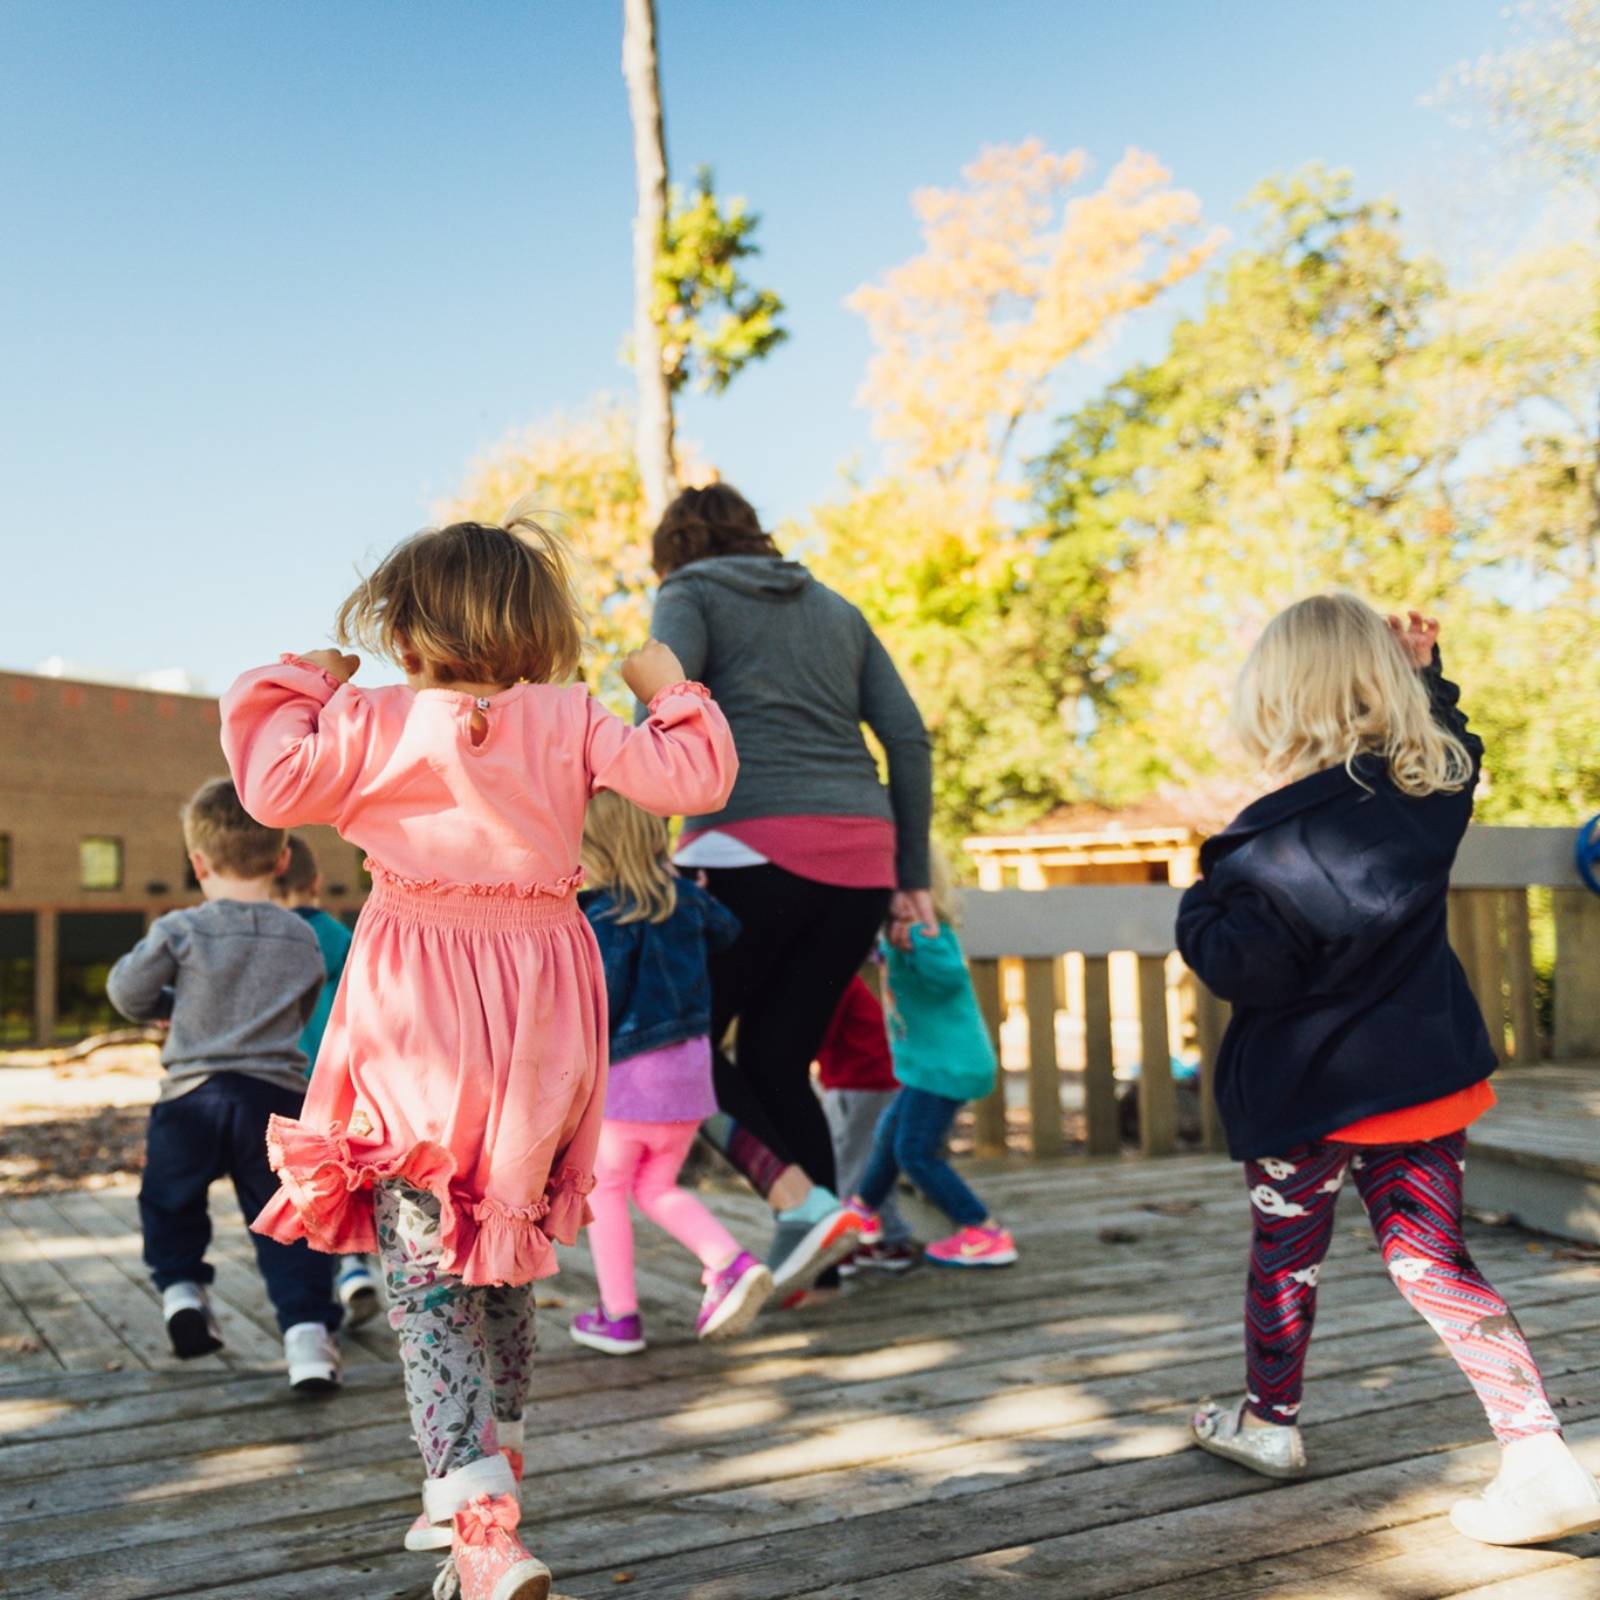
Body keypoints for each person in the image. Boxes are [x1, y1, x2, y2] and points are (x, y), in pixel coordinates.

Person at [220, 508, 736, 1600]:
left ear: (407, 628)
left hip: (419, 1007)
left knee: (423, 1272)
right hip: (542, 1004)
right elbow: (692, 780)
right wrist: (667, 683)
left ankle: (483, 1528)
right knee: (500, 1244)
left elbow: (268, 788)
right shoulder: (571, 718)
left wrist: (298, 680)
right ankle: (482, 1467)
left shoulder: (371, 719)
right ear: (535, 627)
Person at [1178, 597, 1600, 1549]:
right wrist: (1426, 676)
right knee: (1431, 1261)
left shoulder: (1269, 844)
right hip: (1415, 1083)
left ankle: (1269, 1424)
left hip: (1305, 1097)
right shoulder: (1427, 797)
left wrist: (1201, 904)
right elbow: (1457, 747)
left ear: (1280, 701)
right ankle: (1538, 1454)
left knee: (1288, 1260)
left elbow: (1249, 966)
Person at [647, 484, 933, 1293]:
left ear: (674, 549)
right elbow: (906, 738)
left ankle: (800, 1204)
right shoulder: (837, 609)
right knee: (777, 1057)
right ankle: (821, 1258)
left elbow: (664, 707)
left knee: (674, 1044)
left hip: (746, 848)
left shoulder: (688, 594)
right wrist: (911, 876)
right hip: (862, 865)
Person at [106, 778, 343, 1390]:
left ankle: (183, 1293)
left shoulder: (181, 928)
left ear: (198, 862)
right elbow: (300, 1005)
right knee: (288, 1218)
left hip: (192, 1097)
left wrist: (169, 1002)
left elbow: (127, 992)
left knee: (169, 1200)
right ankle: (308, 1340)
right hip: (273, 1100)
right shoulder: (302, 934)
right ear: (284, 859)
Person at [570, 791, 773, 1354]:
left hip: (630, 1081)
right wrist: (690, 892)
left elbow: (603, 1000)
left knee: (606, 1192)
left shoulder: (602, 914)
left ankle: (620, 1315)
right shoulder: (686, 899)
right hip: (688, 1076)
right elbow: (729, 932)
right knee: (655, 1186)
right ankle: (728, 1261)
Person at [847, 854, 1016, 1268]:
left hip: (949, 1067)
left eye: (910, 895)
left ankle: (983, 1230)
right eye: (893, 894)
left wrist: (920, 941)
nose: (901, 904)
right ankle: (862, 1212)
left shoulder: (932, 935)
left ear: (929, 895)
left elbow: (948, 979)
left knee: (915, 1152)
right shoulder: (892, 937)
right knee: (890, 1131)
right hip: (927, 1067)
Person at [272, 833, 378, 1326]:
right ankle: (354, 1267)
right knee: (341, 1174)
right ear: (314, 882)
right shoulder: (339, 936)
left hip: (285, 1077)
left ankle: (325, 1276)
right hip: (337, 1080)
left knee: (306, 1184)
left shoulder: (270, 940)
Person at [818, 975, 916, 1274]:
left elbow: (814, 1035)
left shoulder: (828, 981)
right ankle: (885, 1239)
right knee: (871, 1164)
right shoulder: (841, 977)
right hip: (874, 1079)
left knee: (849, 1167)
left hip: (859, 1082)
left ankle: (849, 1246)